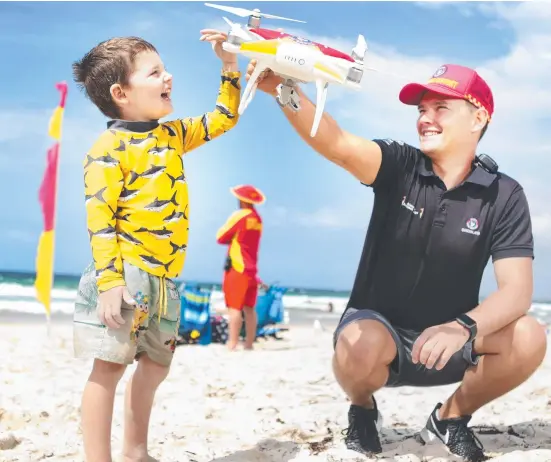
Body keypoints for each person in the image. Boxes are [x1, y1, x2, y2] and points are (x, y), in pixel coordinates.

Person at [245, 60, 547, 461]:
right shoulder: (400, 165)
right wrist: (284, 90)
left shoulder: (503, 194)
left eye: (441, 108)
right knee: (358, 344)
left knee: (529, 336)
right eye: (422, 110)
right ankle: (363, 409)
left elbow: (517, 292)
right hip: (380, 336)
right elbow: (336, 143)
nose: (425, 119)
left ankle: (449, 418)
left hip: (449, 341)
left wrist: (462, 328)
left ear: (478, 118)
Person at [72, 32, 241, 462]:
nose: (169, 76)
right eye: (155, 72)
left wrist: (229, 67)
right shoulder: (108, 149)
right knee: (108, 367)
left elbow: (224, 118)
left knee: (155, 367)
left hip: (164, 280)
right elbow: (100, 221)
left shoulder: (172, 136)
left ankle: (135, 452)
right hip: (125, 275)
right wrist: (110, 283)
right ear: (121, 93)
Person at [216, 184, 265, 351]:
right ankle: (249, 344)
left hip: (237, 267)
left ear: (243, 200)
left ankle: (232, 343)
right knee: (249, 309)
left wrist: (232, 239)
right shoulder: (258, 220)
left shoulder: (240, 216)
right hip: (252, 269)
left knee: (234, 308)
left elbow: (221, 237)